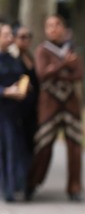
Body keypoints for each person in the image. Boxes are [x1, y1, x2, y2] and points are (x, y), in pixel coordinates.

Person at [26, 15, 84, 202]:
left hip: (70, 104)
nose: (54, 28)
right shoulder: (43, 50)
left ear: (64, 28)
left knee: (74, 145)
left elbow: (79, 73)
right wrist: (64, 65)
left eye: (57, 25)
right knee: (43, 145)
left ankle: (74, 186)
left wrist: (58, 72)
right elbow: (42, 74)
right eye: (49, 25)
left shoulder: (71, 48)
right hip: (48, 105)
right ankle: (32, 183)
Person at [0, 23, 28, 202]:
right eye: (6, 34)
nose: (10, 38)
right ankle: (7, 190)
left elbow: (22, 76)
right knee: (5, 150)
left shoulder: (14, 59)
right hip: (2, 111)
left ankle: (16, 186)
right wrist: (4, 91)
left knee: (15, 149)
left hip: (15, 111)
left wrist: (23, 87)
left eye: (11, 34)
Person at [14, 24, 39, 165]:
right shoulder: (11, 59)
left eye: (28, 37)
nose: (25, 40)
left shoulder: (31, 57)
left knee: (32, 142)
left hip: (32, 107)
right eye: (22, 37)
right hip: (18, 108)